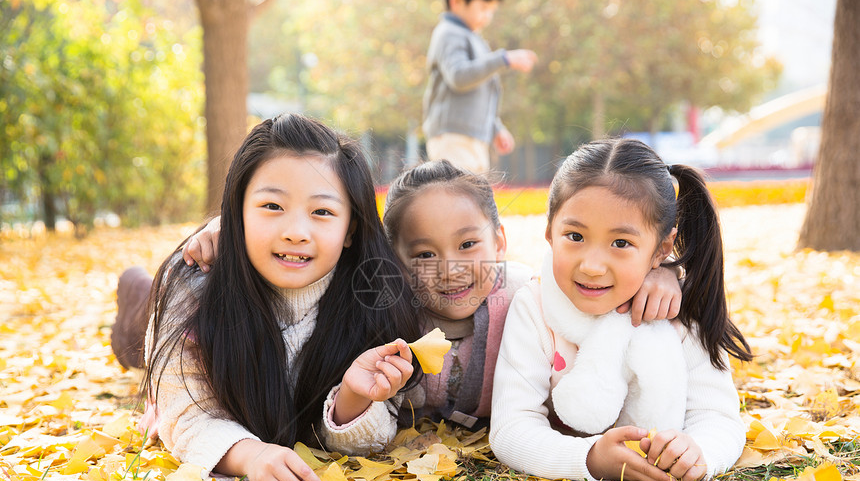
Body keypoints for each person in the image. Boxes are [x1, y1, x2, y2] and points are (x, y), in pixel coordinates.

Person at [177, 159, 684, 433]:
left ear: (500, 243)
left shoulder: (528, 296)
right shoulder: (382, 311)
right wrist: (226, 229)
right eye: (422, 255)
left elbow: (599, 280)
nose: (451, 270)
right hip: (180, 329)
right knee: (145, 340)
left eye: (468, 245)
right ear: (393, 260)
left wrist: (664, 276)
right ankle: (139, 300)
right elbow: (363, 419)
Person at [142, 114, 422, 481]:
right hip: (172, 329)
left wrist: (353, 397)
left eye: (322, 212)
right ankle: (135, 293)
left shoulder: (374, 297)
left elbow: (374, 436)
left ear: (351, 230)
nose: (296, 231)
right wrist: (251, 455)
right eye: (272, 205)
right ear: (236, 211)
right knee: (141, 334)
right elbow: (185, 415)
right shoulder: (192, 288)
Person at [490, 138, 752, 481]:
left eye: (621, 243)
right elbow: (511, 429)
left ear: (661, 248)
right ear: (549, 232)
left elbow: (719, 417)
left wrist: (698, 452)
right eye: (575, 236)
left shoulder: (676, 311)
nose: (593, 266)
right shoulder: (534, 308)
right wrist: (590, 459)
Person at [423, 0, 537, 173]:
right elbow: (459, 76)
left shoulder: (473, 37)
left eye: (492, 10)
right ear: (457, 2)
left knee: (475, 195)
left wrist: (495, 128)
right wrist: (503, 59)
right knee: (458, 194)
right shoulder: (448, 33)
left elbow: (480, 94)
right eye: (483, 8)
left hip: (473, 137)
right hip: (452, 136)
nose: (488, 16)